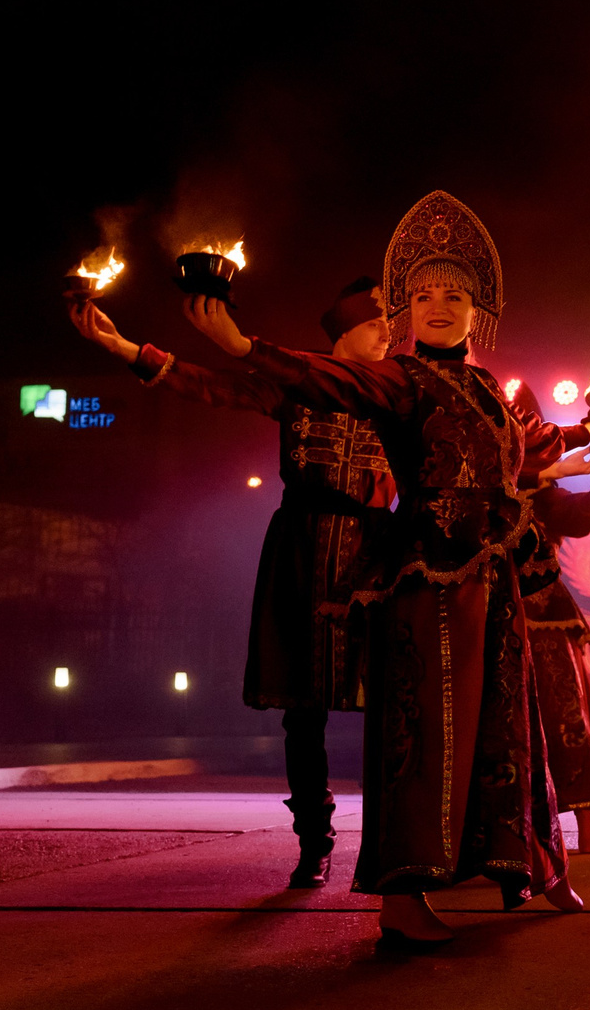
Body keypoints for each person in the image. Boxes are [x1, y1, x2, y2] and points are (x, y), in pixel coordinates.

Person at [178, 191, 590, 946]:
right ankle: (403, 901)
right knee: (425, 733)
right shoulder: (400, 380)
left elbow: (534, 448)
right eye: (422, 295)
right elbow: (325, 379)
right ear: (406, 312)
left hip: (496, 580)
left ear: (478, 308)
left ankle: (531, 864)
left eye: (453, 294)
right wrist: (245, 348)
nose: (438, 305)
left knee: (507, 727)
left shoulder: (488, 391)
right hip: (425, 581)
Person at [71, 277, 393, 888]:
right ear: (345, 333)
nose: (387, 334)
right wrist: (126, 350)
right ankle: (314, 842)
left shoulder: (397, 391)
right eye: (376, 325)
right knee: (303, 713)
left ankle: (390, 840)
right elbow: (214, 387)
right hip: (300, 553)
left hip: (374, 557)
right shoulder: (296, 386)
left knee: (386, 707)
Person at [503, 381, 590, 855]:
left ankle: (586, 821)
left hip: (547, 614)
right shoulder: (493, 486)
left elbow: (572, 519)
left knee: (566, 715)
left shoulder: (544, 489)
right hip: (496, 611)